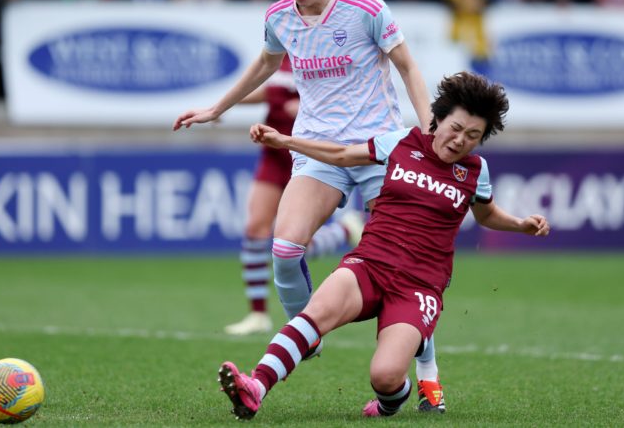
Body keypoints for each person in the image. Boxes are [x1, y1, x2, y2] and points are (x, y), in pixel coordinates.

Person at [172, 0, 442, 410]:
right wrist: (217, 108)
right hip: (317, 149)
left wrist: (426, 129)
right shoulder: (279, 18)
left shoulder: (365, 8)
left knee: (404, 269)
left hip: (379, 149)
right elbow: (266, 63)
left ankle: (428, 377)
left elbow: (407, 65)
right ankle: (307, 336)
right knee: (285, 250)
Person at [218, 71, 551, 420]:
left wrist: (520, 225)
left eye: (473, 136)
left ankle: (392, 400)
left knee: (386, 376)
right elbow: (343, 154)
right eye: (455, 128)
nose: (459, 141)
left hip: (418, 286)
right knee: (314, 315)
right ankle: (255, 386)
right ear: (436, 120)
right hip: (369, 263)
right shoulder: (402, 142)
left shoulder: (475, 170)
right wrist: (286, 141)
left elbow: (486, 215)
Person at [225, 55, 365, 336]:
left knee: (293, 245)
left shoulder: (322, 52)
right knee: (256, 229)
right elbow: (271, 92)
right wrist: (224, 105)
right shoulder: (278, 52)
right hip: (273, 153)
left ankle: (340, 232)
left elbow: (347, 97)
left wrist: (306, 108)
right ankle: (258, 314)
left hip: (308, 155)